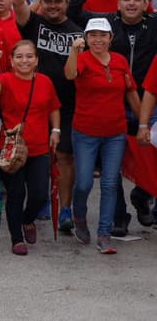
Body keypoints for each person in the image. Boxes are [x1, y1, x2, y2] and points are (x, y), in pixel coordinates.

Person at [63, 18, 141, 253]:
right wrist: (73, 51)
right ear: (86, 38)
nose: (98, 39)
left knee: (109, 183)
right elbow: (69, 74)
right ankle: (79, 217)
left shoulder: (119, 61)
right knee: (85, 182)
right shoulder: (83, 59)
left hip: (115, 132)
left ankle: (104, 234)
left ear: (110, 38)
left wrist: (144, 122)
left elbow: (131, 92)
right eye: (93, 35)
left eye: (102, 35)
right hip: (86, 132)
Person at [0, 41, 62, 255]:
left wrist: (56, 130)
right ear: (11, 60)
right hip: (10, 148)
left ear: (36, 60)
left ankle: (28, 220)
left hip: (38, 147)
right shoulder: (6, 80)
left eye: (29, 57)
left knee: (39, 195)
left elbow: (53, 107)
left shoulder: (45, 81)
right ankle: (16, 239)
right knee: (16, 193)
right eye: (19, 57)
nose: (24, 61)